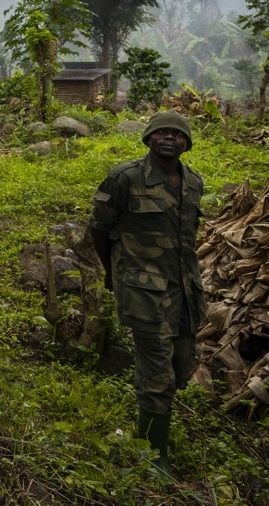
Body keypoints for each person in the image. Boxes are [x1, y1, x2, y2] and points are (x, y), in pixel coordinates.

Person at [90, 110, 205, 480]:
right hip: (145, 293)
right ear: (148, 139)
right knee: (157, 376)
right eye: (161, 133)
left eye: (177, 134)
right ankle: (153, 455)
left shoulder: (193, 183)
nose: (169, 138)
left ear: (186, 142)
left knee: (179, 369)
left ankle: (148, 431)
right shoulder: (125, 178)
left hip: (186, 292)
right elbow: (99, 228)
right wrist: (114, 275)